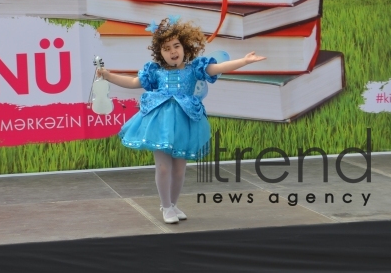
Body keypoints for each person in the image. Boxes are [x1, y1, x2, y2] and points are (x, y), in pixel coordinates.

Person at [97, 17, 265, 223]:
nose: (173, 51)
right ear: (160, 53)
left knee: (179, 168)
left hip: (185, 121)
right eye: (167, 48)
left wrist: (244, 61)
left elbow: (218, 68)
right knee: (164, 167)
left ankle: (173, 204)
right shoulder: (155, 71)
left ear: (185, 47)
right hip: (159, 121)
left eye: (176, 46)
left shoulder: (194, 69)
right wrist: (107, 75)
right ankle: (165, 206)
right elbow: (133, 82)